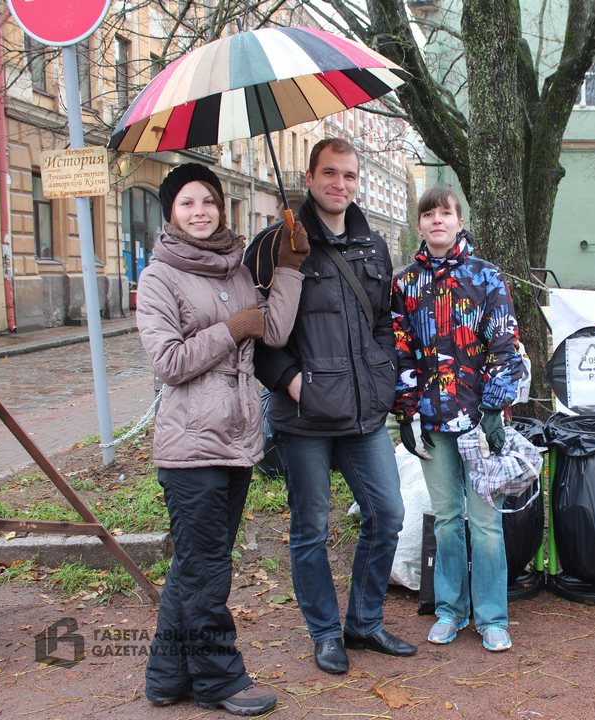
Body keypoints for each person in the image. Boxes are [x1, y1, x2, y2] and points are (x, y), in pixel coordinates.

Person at [137, 162, 308, 716]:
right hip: (191, 445)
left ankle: (166, 676)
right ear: (171, 213)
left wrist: (289, 267)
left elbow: (272, 330)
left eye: (208, 201)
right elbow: (168, 362)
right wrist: (232, 328)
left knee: (196, 563)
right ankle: (218, 679)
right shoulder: (159, 277)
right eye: (187, 203)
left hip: (236, 440)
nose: (200, 211)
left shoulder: (235, 270)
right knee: (207, 567)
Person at [243, 138, 416, 675]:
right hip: (305, 418)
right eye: (329, 173)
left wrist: (383, 373)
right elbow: (256, 331)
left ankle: (363, 622)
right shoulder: (275, 244)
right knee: (310, 529)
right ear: (309, 177)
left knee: (388, 513)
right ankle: (324, 633)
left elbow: (382, 320)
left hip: (363, 412)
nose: (340, 184)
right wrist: (292, 382)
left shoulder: (373, 245)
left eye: (349, 175)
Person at [391, 187, 524, 652]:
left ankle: (492, 617)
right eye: (428, 214)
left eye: (445, 213)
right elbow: (400, 349)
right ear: (419, 224)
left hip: (479, 419)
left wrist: (494, 408)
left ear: (459, 221)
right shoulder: (405, 284)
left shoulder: (486, 277)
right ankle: (450, 610)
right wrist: (406, 413)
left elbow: (505, 344)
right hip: (432, 420)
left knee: (485, 522)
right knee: (447, 518)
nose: (437, 220)